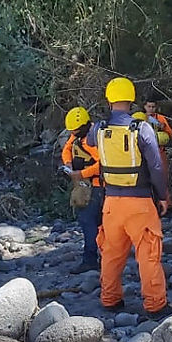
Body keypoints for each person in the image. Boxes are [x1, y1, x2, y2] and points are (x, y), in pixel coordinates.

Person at [87, 77, 172, 320]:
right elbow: (156, 166)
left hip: (112, 204)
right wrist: (163, 196)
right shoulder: (142, 128)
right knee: (148, 255)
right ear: (132, 98)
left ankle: (110, 298)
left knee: (112, 253)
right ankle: (155, 305)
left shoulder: (98, 129)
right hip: (140, 203)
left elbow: (91, 140)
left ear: (109, 99)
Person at [61, 106, 103, 274]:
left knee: (89, 222)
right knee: (92, 222)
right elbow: (67, 149)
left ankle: (90, 260)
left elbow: (103, 164)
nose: (73, 133)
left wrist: (81, 173)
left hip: (96, 188)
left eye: (76, 130)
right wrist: (68, 164)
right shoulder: (77, 135)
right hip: (85, 185)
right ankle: (100, 258)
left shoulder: (93, 140)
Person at [143, 99, 172, 210]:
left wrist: (163, 128)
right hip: (144, 154)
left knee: (162, 177)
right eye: (149, 106)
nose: (151, 109)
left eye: (153, 107)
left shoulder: (160, 118)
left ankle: (167, 203)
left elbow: (170, 134)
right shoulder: (140, 118)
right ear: (144, 107)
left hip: (159, 152)